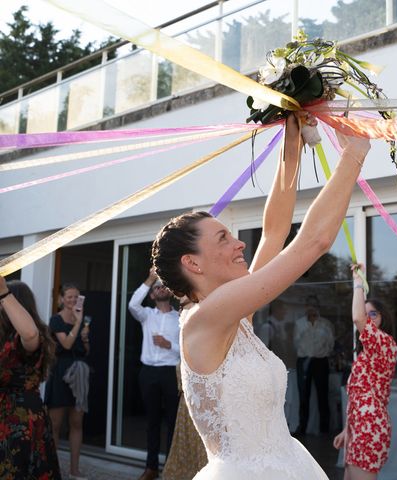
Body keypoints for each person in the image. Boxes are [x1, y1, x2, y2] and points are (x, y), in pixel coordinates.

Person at [150, 112, 370, 479]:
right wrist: (354, 155)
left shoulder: (236, 316)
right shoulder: (206, 318)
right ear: (193, 263)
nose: (239, 244)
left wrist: (293, 138)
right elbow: (312, 242)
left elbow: (274, 231)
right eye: (223, 239)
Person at [333, 264, 397, 480]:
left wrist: (357, 282)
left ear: (383, 318)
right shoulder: (365, 355)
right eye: (366, 312)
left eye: (373, 314)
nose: (368, 318)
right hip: (357, 431)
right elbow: (357, 397)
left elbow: (358, 319)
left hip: (370, 431)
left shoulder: (386, 344)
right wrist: (346, 429)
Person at [0, 276, 61, 479]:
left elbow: (29, 334)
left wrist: (4, 293)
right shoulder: (4, 338)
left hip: (20, 419)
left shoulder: (28, 338)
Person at [128, 269, 180, 480]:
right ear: (152, 294)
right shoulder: (146, 315)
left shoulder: (179, 317)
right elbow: (132, 304)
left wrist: (170, 345)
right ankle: (151, 468)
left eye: (163, 285)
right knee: (151, 421)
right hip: (148, 372)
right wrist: (149, 278)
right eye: (156, 287)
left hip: (170, 373)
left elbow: (186, 347)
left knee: (172, 421)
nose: (160, 288)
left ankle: (170, 466)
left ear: (170, 291)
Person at [45, 283, 90, 480]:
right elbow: (66, 344)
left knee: (76, 422)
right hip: (60, 374)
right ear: (62, 299)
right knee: (55, 425)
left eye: (76, 297)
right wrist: (78, 324)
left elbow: (84, 351)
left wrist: (86, 340)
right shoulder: (55, 320)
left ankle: (74, 470)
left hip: (78, 374)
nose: (73, 300)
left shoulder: (83, 321)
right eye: (69, 297)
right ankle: (53, 471)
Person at [162, 299, 208, 480]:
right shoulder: (186, 335)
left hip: (205, 403)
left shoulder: (205, 336)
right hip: (187, 404)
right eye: (182, 308)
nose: (183, 312)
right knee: (186, 450)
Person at [294, 294, 334, 434]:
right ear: (305, 307)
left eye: (315, 305)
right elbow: (296, 342)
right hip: (304, 360)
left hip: (320, 361)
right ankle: (302, 427)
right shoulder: (299, 323)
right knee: (303, 395)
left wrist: (322, 353)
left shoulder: (325, 324)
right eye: (309, 305)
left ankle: (325, 429)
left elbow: (330, 343)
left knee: (323, 395)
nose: (312, 308)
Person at [258, 299, 296, 368]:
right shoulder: (267, 327)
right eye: (284, 309)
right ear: (276, 310)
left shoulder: (280, 326)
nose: (285, 312)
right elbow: (262, 349)